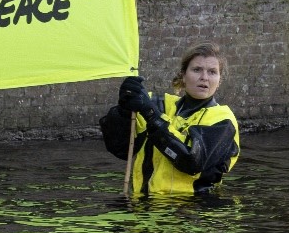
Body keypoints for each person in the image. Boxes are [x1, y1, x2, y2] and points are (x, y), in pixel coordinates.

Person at [100, 44, 240, 197]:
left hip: (194, 209)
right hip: (143, 206)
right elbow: (120, 148)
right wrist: (124, 110)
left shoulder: (223, 120)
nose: (204, 77)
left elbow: (192, 161)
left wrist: (152, 115)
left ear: (219, 81)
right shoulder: (158, 104)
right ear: (183, 76)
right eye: (197, 70)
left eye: (212, 72)